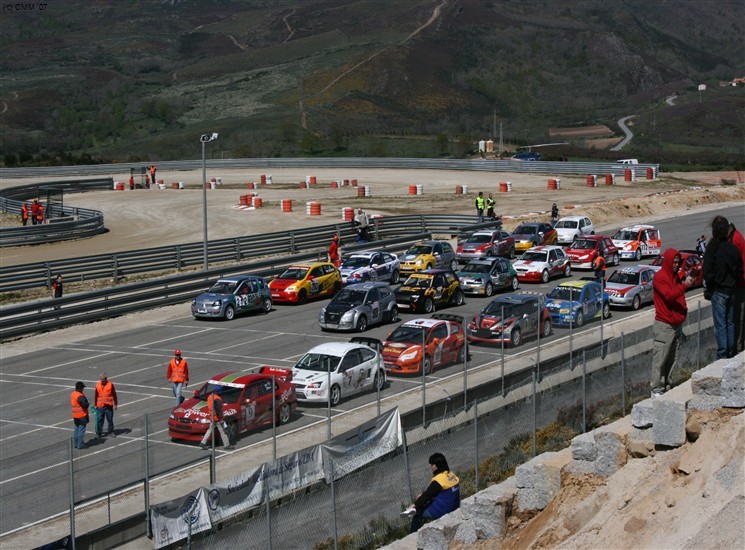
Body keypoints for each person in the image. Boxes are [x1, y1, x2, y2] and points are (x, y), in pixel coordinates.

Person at [651, 248, 694, 397]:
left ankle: (667, 385)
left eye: (678, 262)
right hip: (664, 325)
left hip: (676, 325)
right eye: (674, 262)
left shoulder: (676, 277)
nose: (676, 265)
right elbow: (669, 296)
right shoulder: (660, 278)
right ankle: (656, 388)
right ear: (668, 262)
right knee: (660, 358)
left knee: (672, 357)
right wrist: (684, 286)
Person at [703, 216, 743, 359]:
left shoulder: (712, 249)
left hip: (719, 291)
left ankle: (722, 354)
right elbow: (739, 270)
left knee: (720, 325)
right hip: (731, 290)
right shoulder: (732, 249)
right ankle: (731, 352)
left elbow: (707, 272)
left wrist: (710, 287)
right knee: (730, 323)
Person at [407, 452, 460, 533]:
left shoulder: (438, 480)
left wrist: (414, 505)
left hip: (444, 509)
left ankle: (412, 535)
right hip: (455, 505)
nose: (431, 466)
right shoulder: (450, 474)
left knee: (417, 512)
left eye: (432, 464)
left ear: (438, 465)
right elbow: (432, 492)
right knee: (424, 501)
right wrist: (422, 496)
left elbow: (426, 496)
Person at [728, 222, 745, 353]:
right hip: (738, 283)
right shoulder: (736, 237)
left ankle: (737, 347)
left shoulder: (735, 239)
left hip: (739, 284)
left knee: (737, 317)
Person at [94, 373, 118, 438]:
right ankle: (99, 433)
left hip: (108, 406)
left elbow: (114, 394)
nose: (102, 381)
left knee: (110, 419)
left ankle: (110, 432)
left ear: (106, 379)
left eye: (103, 380)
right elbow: (96, 395)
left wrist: (115, 404)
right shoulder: (98, 385)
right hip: (100, 406)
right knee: (99, 420)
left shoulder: (110, 385)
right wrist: (95, 404)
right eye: (101, 380)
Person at [71, 381, 90, 450]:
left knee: (76, 430)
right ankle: (80, 444)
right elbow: (85, 405)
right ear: (79, 388)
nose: (83, 389)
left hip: (75, 416)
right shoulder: (80, 396)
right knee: (81, 431)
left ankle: (76, 444)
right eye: (82, 387)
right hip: (82, 415)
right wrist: (88, 403)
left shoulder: (73, 394)